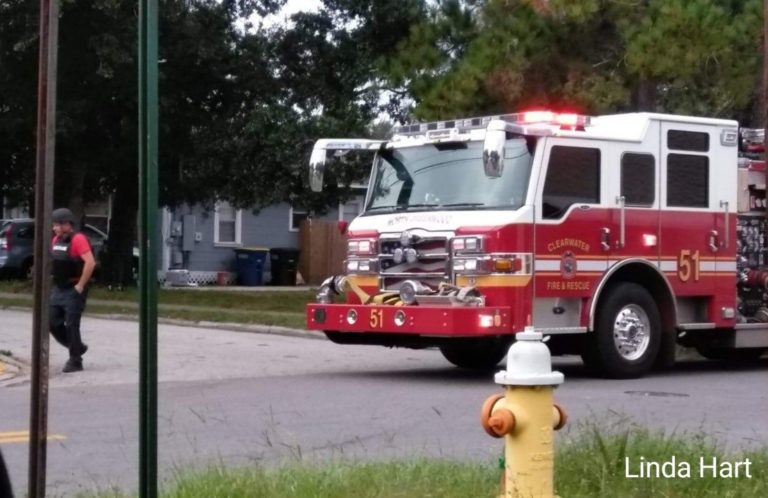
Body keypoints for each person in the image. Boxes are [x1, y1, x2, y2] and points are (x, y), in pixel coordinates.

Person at [49, 208, 95, 373]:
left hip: (74, 288)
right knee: (51, 321)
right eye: (54, 225)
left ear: (67, 224)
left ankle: (75, 360)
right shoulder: (56, 240)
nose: (54, 228)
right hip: (59, 288)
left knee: (72, 324)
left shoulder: (79, 239)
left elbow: (90, 263)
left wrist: (80, 285)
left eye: (57, 225)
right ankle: (77, 346)